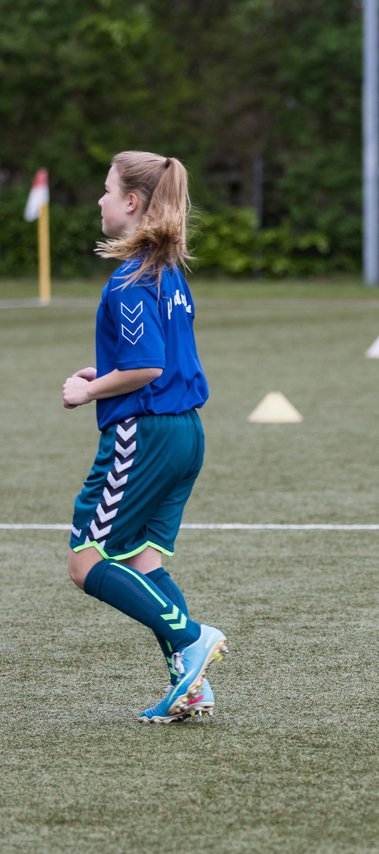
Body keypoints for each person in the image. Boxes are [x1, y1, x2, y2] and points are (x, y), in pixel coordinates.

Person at [62, 151, 227, 721]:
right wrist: (101, 373)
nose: (100, 200)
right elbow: (151, 355)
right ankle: (194, 686)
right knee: (143, 560)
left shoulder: (128, 279)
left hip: (145, 434)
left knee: (86, 561)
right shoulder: (168, 273)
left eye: (107, 190)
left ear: (132, 202)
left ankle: (190, 637)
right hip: (186, 433)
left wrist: (88, 392)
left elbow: (147, 365)